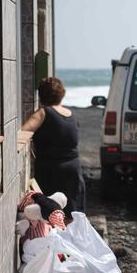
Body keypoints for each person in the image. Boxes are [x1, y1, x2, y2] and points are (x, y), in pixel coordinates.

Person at [22, 77, 86, 216]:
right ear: (61, 94)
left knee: (50, 217)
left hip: (51, 172)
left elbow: (23, 133)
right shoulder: (72, 115)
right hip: (73, 170)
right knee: (71, 216)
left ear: (41, 95)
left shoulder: (43, 113)